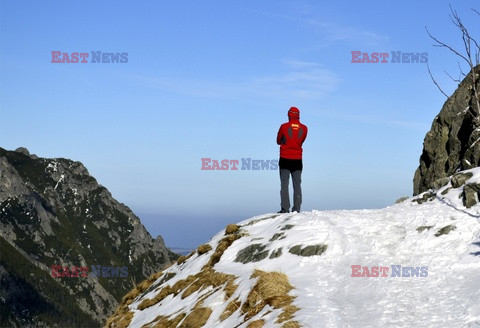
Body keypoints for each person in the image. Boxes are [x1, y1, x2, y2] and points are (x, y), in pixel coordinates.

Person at [276, 106, 308, 213]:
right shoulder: (304, 128)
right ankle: (296, 209)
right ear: (298, 116)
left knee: (284, 184)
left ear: (289, 115)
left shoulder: (284, 127)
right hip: (297, 160)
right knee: (297, 184)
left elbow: (278, 140)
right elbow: (301, 141)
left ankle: (285, 209)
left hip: (285, 158)